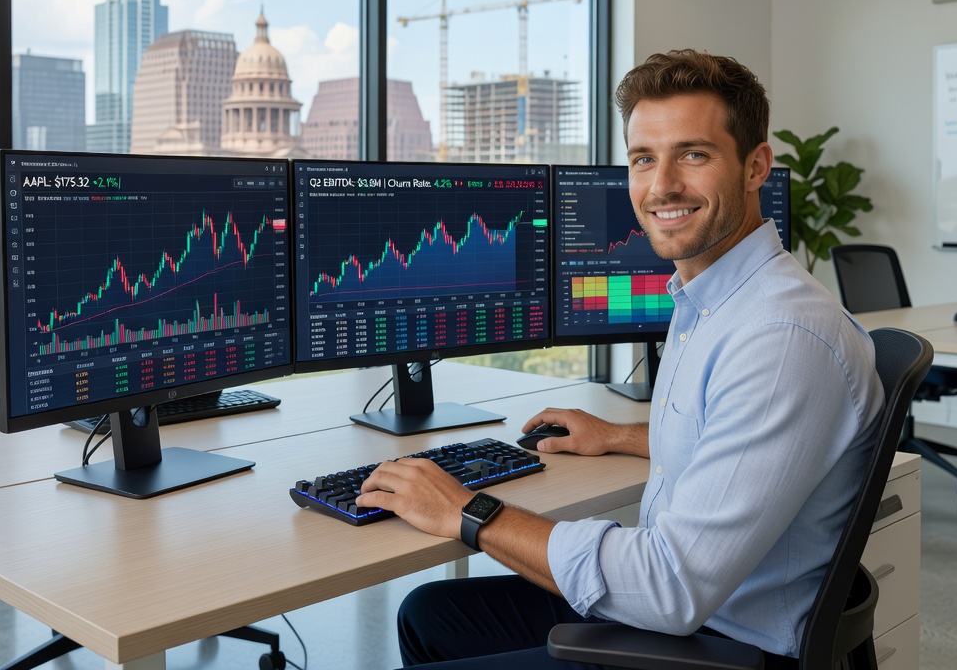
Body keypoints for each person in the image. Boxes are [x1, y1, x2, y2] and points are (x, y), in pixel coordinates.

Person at [357, 49, 884, 669]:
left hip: (721, 640)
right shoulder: (721, 301)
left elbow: (670, 589)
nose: (661, 186)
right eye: (643, 159)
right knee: (432, 614)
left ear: (755, 166)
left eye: (693, 154)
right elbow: (731, 445)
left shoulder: (781, 337)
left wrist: (468, 512)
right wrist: (617, 435)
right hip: (706, 611)